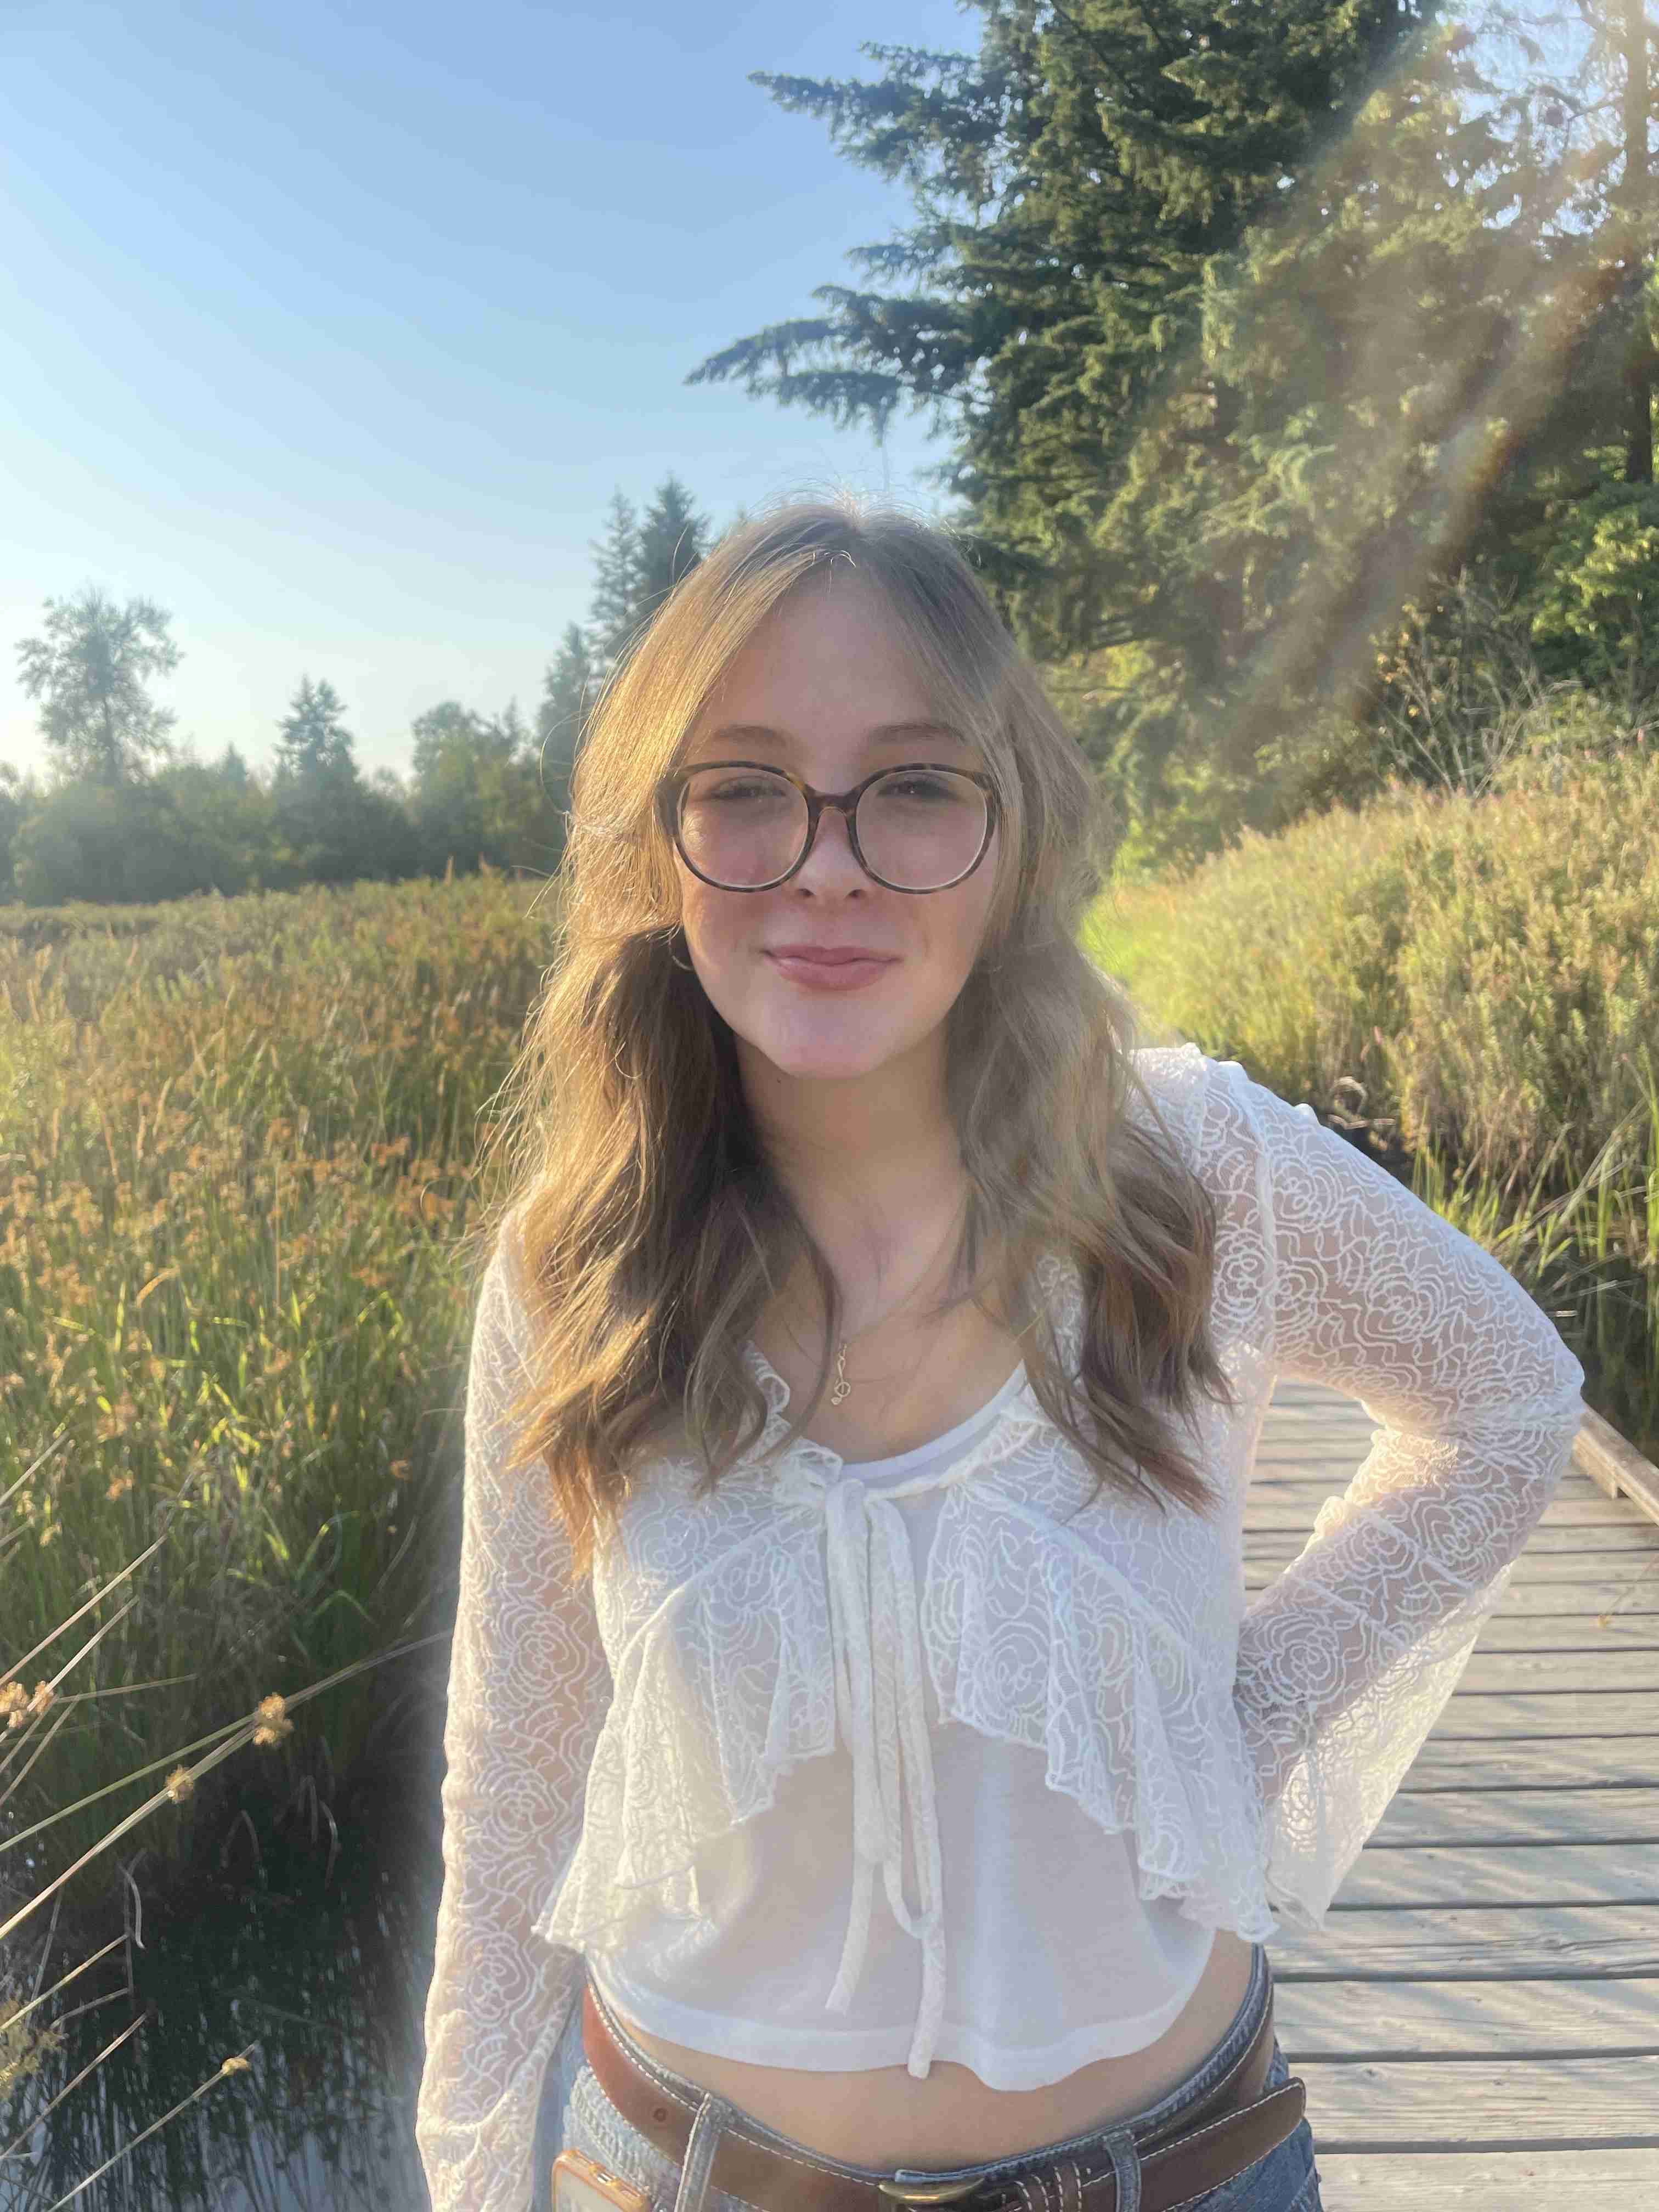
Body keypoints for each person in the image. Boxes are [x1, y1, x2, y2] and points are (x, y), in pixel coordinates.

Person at [414, 499, 1586, 2212]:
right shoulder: (574, 1264)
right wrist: (468, 2175)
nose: (826, 863)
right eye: (743, 787)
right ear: (656, 847)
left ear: (1010, 831)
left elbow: (1509, 1402)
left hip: (1173, 2172)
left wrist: (1241, 1723)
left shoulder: (1196, 1172)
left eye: (911, 785)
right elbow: (516, 1777)